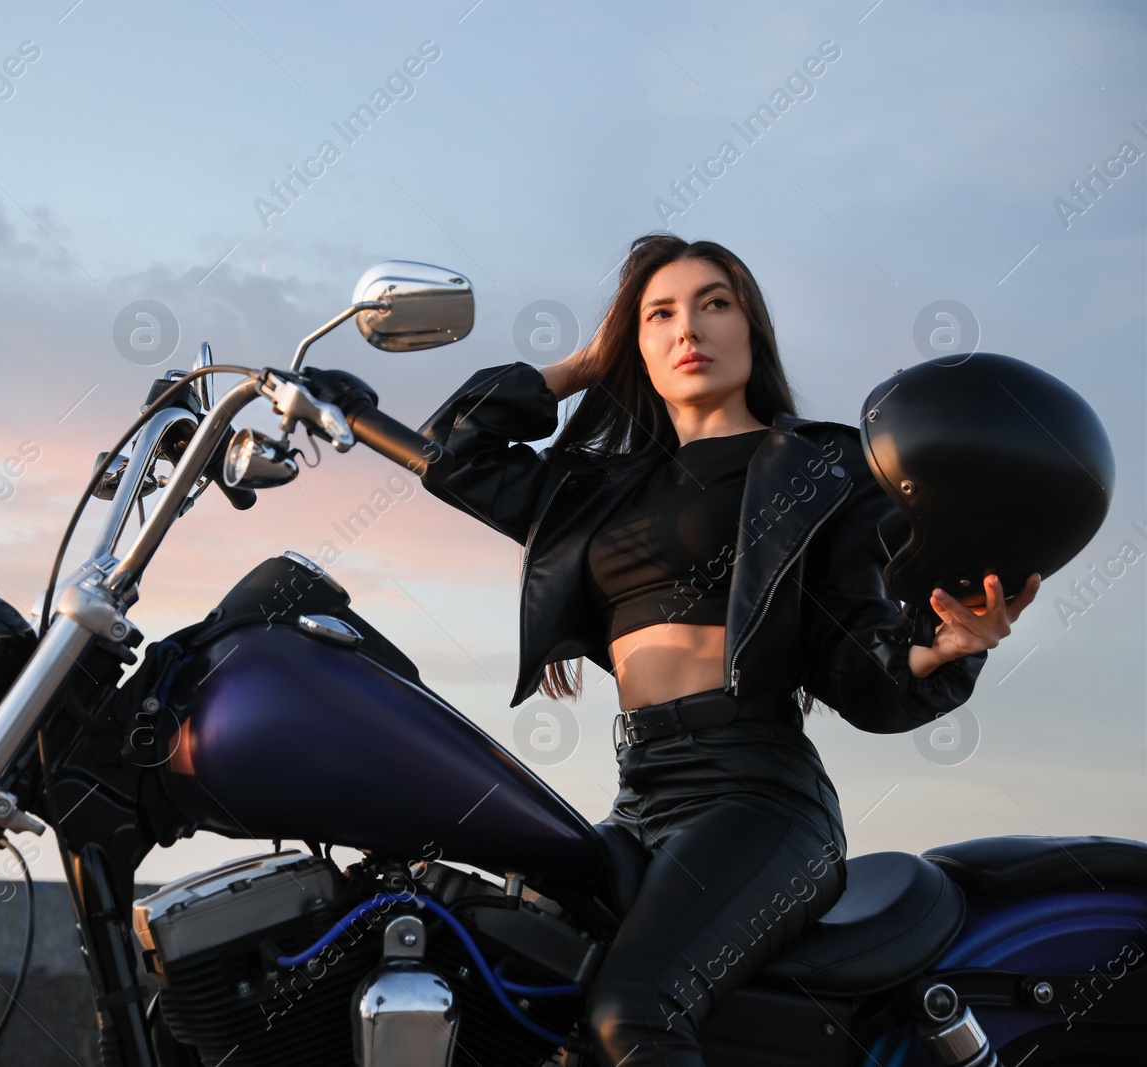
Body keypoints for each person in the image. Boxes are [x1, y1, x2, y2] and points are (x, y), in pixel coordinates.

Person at [415, 232, 1039, 1066]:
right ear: (631, 343)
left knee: (631, 1015)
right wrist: (585, 362)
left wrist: (942, 650)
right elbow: (454, 449)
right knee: (516, 979)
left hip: (758, 796)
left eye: (715, 303)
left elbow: (858, 665)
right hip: (641, 792)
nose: (689, 330)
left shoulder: (819, 468)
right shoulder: (603, 491)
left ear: (752, 328)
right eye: (659, 314)